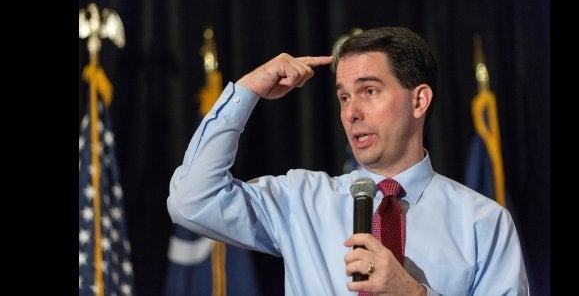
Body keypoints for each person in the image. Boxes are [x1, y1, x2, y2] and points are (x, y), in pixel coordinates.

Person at [168, 26, 529, 295]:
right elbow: (192, 201)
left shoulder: (483, 223)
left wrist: (412, 293)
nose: (351, 112)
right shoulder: (300, 200)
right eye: (343, 98)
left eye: (369, 92)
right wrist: (247, 91)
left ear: (419, 101)